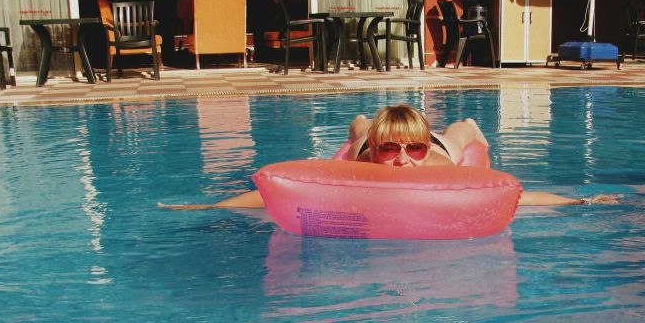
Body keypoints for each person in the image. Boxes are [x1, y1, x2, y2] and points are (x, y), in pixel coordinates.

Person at [160, 104, 618, 210]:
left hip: (444, 145)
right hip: (365, 142)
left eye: (411, 149)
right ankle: (366, 124)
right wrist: (206, 207)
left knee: (461, 132)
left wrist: (581, 201)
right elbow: (272, 197)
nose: (403, 160)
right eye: (392, 150)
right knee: (360, 125)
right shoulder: (358, 166)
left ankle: (463, 125)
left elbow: (517, 197)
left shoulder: (435, 162)